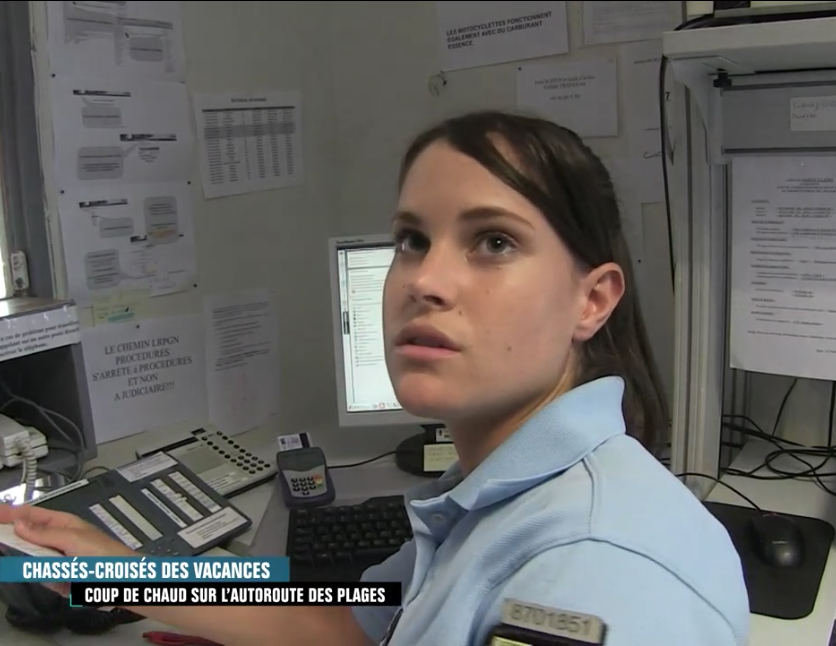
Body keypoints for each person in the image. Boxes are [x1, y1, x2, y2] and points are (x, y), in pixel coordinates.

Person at [0, 110, 749, 646]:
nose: (424, 279)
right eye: (412, 239)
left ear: (592, 300)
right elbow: (351, 616)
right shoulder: (491, 495)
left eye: (494, 241)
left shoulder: (594, 574)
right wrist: (122, 574)